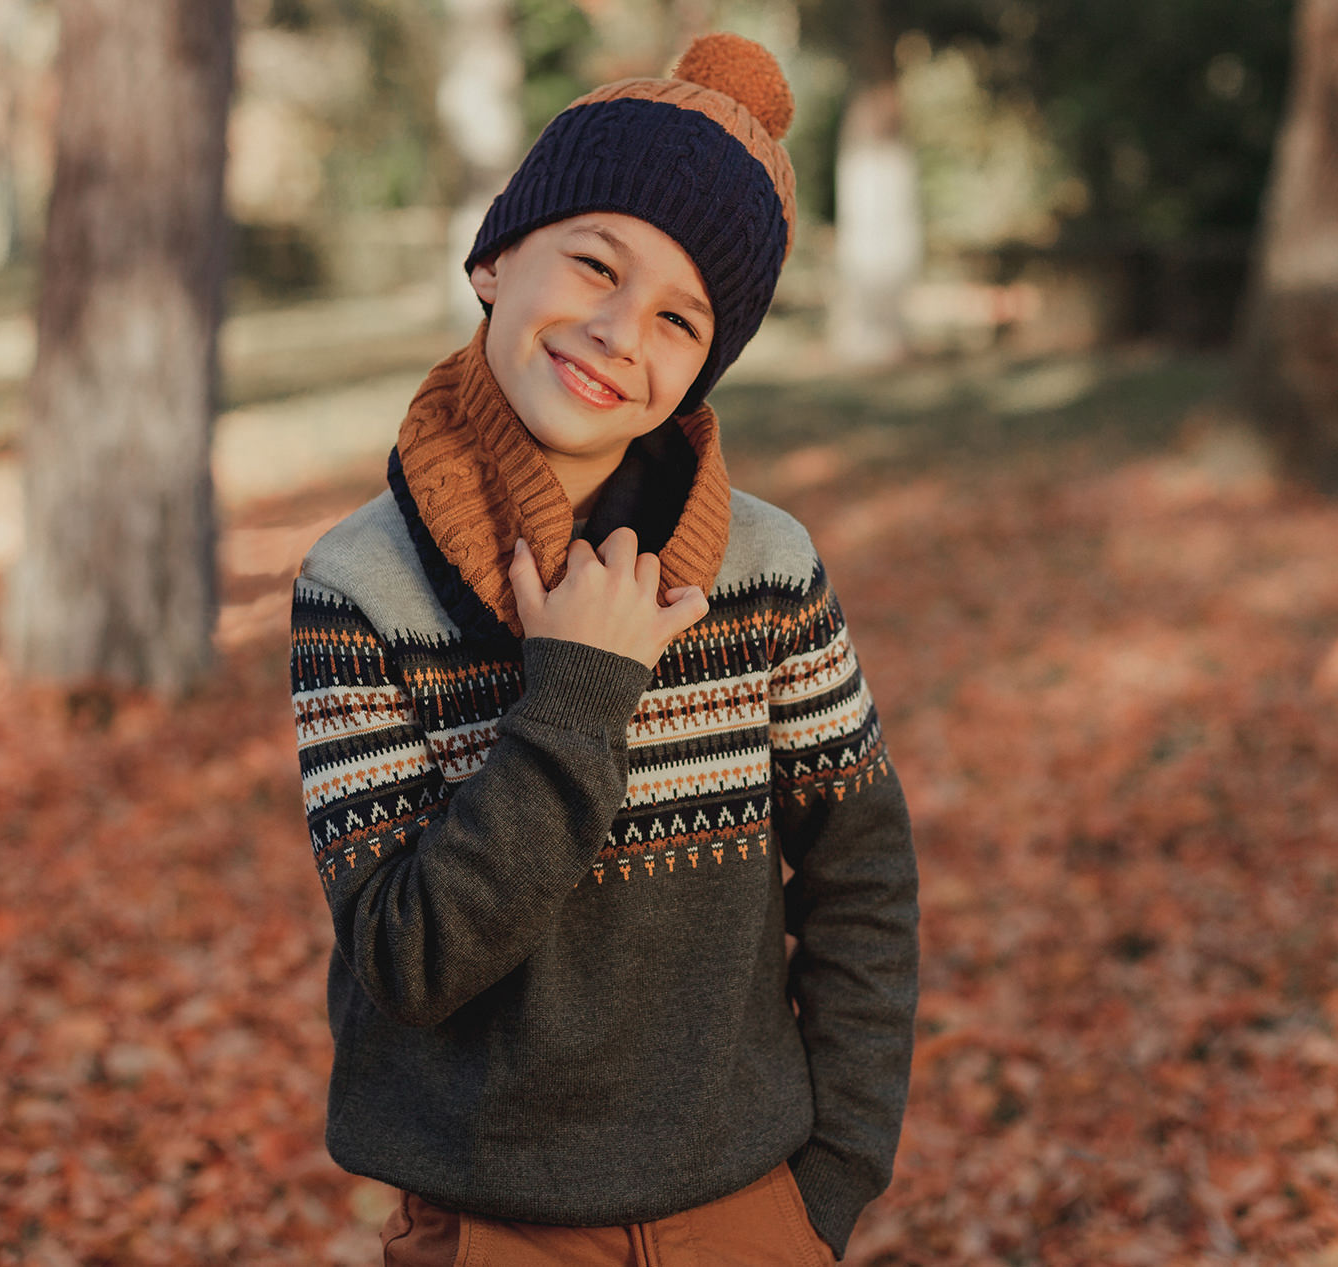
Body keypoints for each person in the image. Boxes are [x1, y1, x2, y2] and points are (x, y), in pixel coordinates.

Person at [288, 33, 917, 1266]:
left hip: (751, 1212)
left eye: (681, 317)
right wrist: (576, 696)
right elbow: (408, 958)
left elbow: (861, 879)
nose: (621, 331)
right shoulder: (358, 589)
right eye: (594, 263)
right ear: (492, 259)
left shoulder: (765, 569)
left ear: (699, 374)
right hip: (488, 1223)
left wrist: (831, 1179)